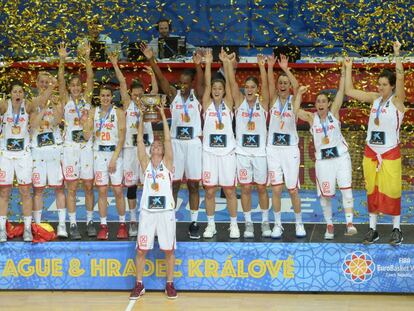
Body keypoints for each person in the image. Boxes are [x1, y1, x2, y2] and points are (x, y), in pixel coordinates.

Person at [344, 40, 405, 245]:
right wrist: (348, 67)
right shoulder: (374, 99)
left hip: (389, 154)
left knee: (393, 191)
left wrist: (396, 54)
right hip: (371, 153)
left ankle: (396, 229)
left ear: (392, 86)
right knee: (373, 191)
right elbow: (350, 92)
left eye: (384, 85)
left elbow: (401, 76)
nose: (380, 87)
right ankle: (373, 230)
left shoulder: (398, 101)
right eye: (378, 84)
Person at [141, 43, 204, 239]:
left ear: (192, 83)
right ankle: (170, 219)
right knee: (173, 184)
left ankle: (194, 222)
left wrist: (199, 66)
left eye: (186, 83)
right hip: (175, 144)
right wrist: (151, 59)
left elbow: (202, 84)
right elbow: (161, 78)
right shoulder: (173, 96)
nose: (183, 86)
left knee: (194, 185)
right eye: (181, 83)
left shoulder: (198, 96)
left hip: (193, 143)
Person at [295, 62, 357, 240]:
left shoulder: (334, 113)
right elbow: (294, 110)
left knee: (346, 190)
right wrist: (298, 94)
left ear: (329, 104)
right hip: (323, 162)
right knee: (325, 196)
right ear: (315, 104)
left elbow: (340, 92)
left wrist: (344, 70)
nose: (320, 104)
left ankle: (350, 223)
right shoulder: (311, 118)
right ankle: (329, 225)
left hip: (341, 158)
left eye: (323, 101)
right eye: (318, 101)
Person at [129, 97, 177, 300]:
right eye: (154, 144)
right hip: (148, 213)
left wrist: (163, 115)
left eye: (159, 144)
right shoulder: (145, 164)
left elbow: (167, 139)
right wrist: (141, 117)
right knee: (141, 250)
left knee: (168, 250)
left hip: (165, 213)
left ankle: (169, 284)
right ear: (150, 151)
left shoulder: (167, 163)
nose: (157, 144)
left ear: (163, 151)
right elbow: (139, 141)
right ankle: (139, 284)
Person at [109, 53, 157, 237]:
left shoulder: (147, 104)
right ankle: (133, 219)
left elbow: (155, 92)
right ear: (130, 94)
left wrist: (152, 75)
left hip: (145, 149)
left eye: (140, 94)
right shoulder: (127, 104)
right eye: (135, 94)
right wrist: (115, 64)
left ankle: (147, 217)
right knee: (131, 186)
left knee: (147, 185)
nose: (138, 97)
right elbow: (122, 83)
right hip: (129, 150)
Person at [0, 81, 50, 242]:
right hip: (6, 154)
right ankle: (1, 229)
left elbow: (41, 101)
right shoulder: (3, 106)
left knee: (25, 192)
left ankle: (28, 229)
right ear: (10, 94)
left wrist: (52, 86)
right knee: (4, 192)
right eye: (15, 92)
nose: (18, 94)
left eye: (20, 91)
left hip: (23, 155)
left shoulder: (27, 106)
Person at [227, 53, 270, 238]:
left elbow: (268, 87)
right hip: (242, 153)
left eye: (253, 87)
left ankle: (265, 222)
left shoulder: (264, 103)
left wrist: (262, 66)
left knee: (261, 188)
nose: (249, 89)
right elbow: (231, 83)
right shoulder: (239, 102)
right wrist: (227, 64)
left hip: (260, 154)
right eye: (247, 87)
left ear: (257, 89)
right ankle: (248, 223)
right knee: (244, 188)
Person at [58, 42, 95, 239]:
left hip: (86, 147)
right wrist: (62, 60)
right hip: (70, 148)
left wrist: (87, 58)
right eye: (72, 86)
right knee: (71, 187)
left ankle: (89, 221)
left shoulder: (87, 99)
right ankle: (72, 224)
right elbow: (60, 82)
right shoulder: (65, 100)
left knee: (89, 186)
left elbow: (90, 78)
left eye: (77, 85)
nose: (74, 88)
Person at [266, 54, 306, 238]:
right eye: (280, 83)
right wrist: (269, 68)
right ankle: (277, 225)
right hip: (273, 149)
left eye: (285, 83)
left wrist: (285, 69)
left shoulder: (293, 101)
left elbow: (298, 87)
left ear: (288, 86)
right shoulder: (273, 101)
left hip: (290, 150)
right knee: (275, 189)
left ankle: (299, 223)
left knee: (292, 190)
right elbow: (268, 85)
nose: (282, 85)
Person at [202, 48, 239, 239]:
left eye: (219, 89)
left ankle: (234, 225)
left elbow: (233, 84)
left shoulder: (229, 103)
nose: (216, 91)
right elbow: (206, 86)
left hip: (227, 154)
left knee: (230, 191)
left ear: (224, 92)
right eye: (214, 89)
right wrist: (208, 63)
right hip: (209, 154)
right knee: (209, 191)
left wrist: (226, 63)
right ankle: (211, 225)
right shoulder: (207, 105)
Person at [83, 85, 127, 240]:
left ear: (112, 97)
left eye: (108, 95)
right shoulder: (93, 112)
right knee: (101, 191)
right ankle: (103, 225)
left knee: (118, 191)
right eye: (103, 95)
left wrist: (114, 158)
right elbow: (87, 136)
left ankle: (122, 225)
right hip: (99, 154)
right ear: (99, 97)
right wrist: (85, 122)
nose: (105, 98)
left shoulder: (119, 113)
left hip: (115, 154)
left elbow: (122, 138)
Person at [30, 72, 67, 237]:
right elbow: (32, 125)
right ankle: (37, 226)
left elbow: (58, 120)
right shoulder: (31, 103)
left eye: (47, 82)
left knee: (59, 189)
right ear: (37, 83)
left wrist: (54, 105)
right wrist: (43, 108)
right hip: (37, 151)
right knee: (38, 190)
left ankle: (62, 225)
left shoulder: (56, 101)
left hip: (54, 150)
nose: (44, 85)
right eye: (42, 82)